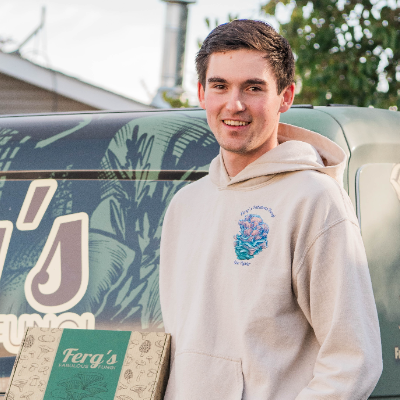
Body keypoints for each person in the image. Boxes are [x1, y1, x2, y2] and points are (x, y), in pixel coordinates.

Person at [159, 19, 382, 399]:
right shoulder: (185, 205)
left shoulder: (315, 199)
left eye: (253, 87)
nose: (234, 104)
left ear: (286, 96)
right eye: (220, 86)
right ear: (201, 93)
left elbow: (353, 361)